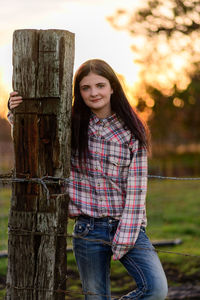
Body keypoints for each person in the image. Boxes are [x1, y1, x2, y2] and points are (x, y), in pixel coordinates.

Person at [8, 59, 168, 300]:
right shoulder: (70, 125)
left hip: (128, 225)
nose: (94, 93)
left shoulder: (131, 130)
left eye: (100, 85)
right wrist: (16, 112)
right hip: (87, 228)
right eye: (86, 88)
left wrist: (124, 237)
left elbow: (137, 189)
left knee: (156, 289)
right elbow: (33, 137)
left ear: (113, 87)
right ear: (78, 92)